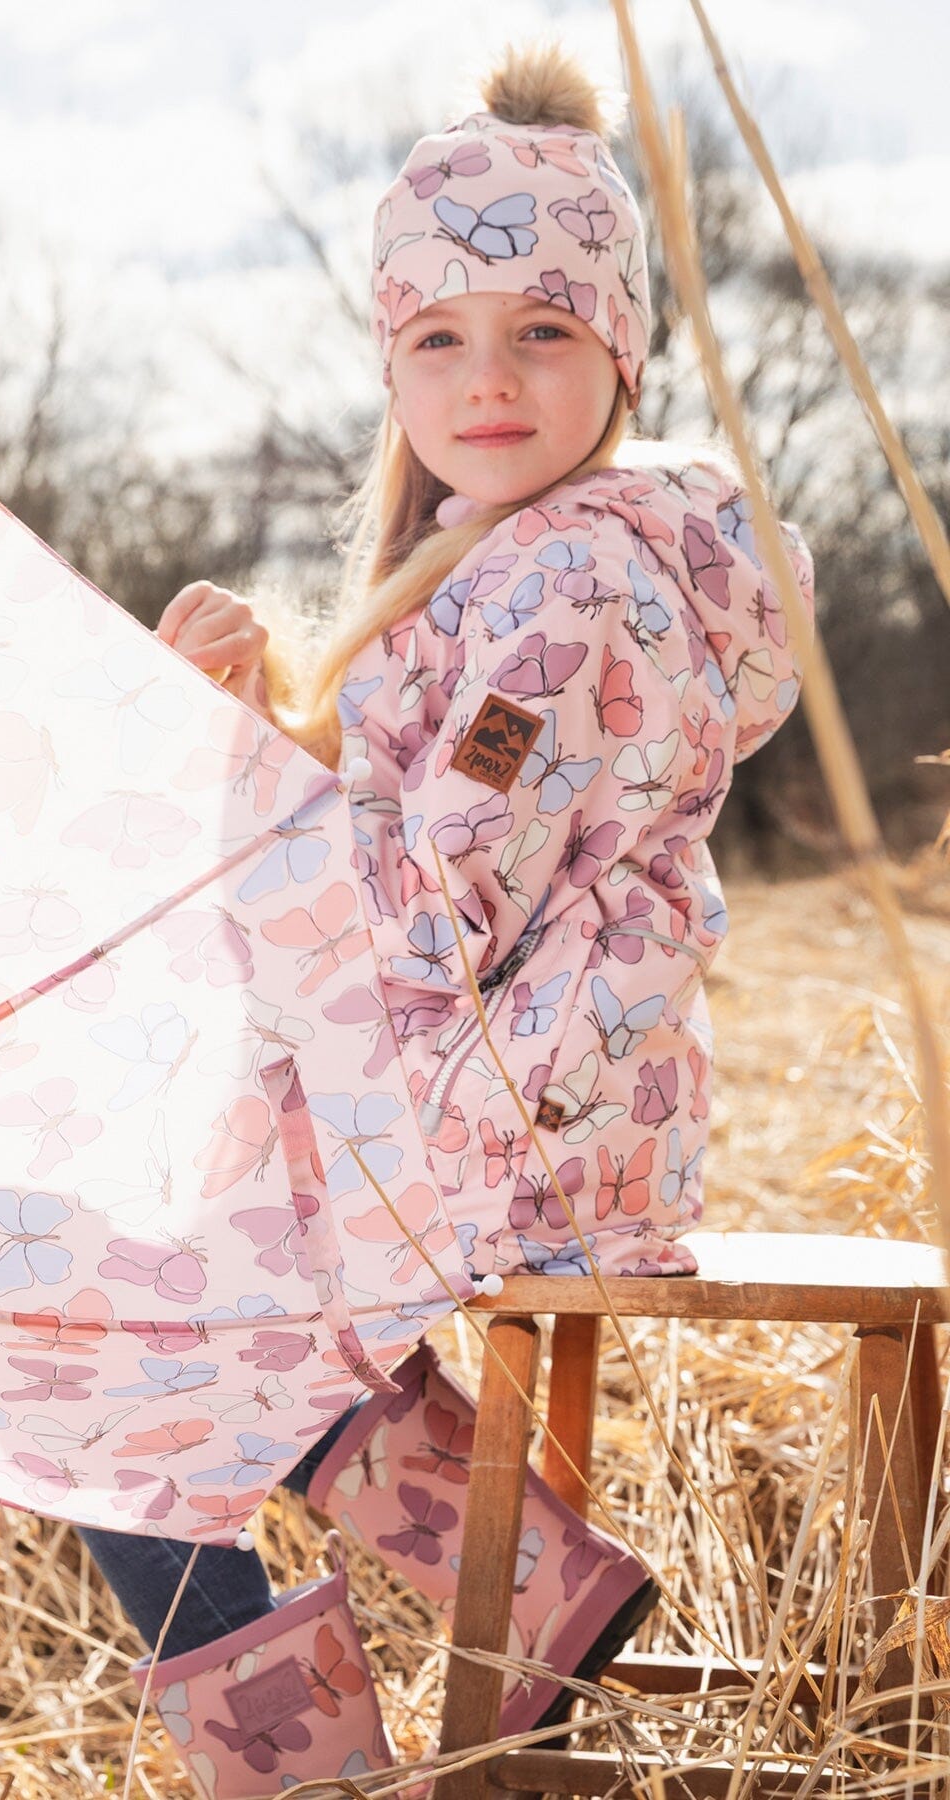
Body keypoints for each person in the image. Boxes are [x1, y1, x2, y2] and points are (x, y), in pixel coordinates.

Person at [86, 39, 815, 1795]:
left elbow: (429, 915)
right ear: (391, 363)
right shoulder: (504, 561)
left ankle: (310, 1779)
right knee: (145, 1281)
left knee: (91, 1355)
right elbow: (432, 849)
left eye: (542, 330)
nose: (487, 378)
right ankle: (553, 1603)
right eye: (439, 337)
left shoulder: (566, 584)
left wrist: (249, 786)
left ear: (619, 350)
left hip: (515, 1104)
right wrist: (262, 728)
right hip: (528, 1086)